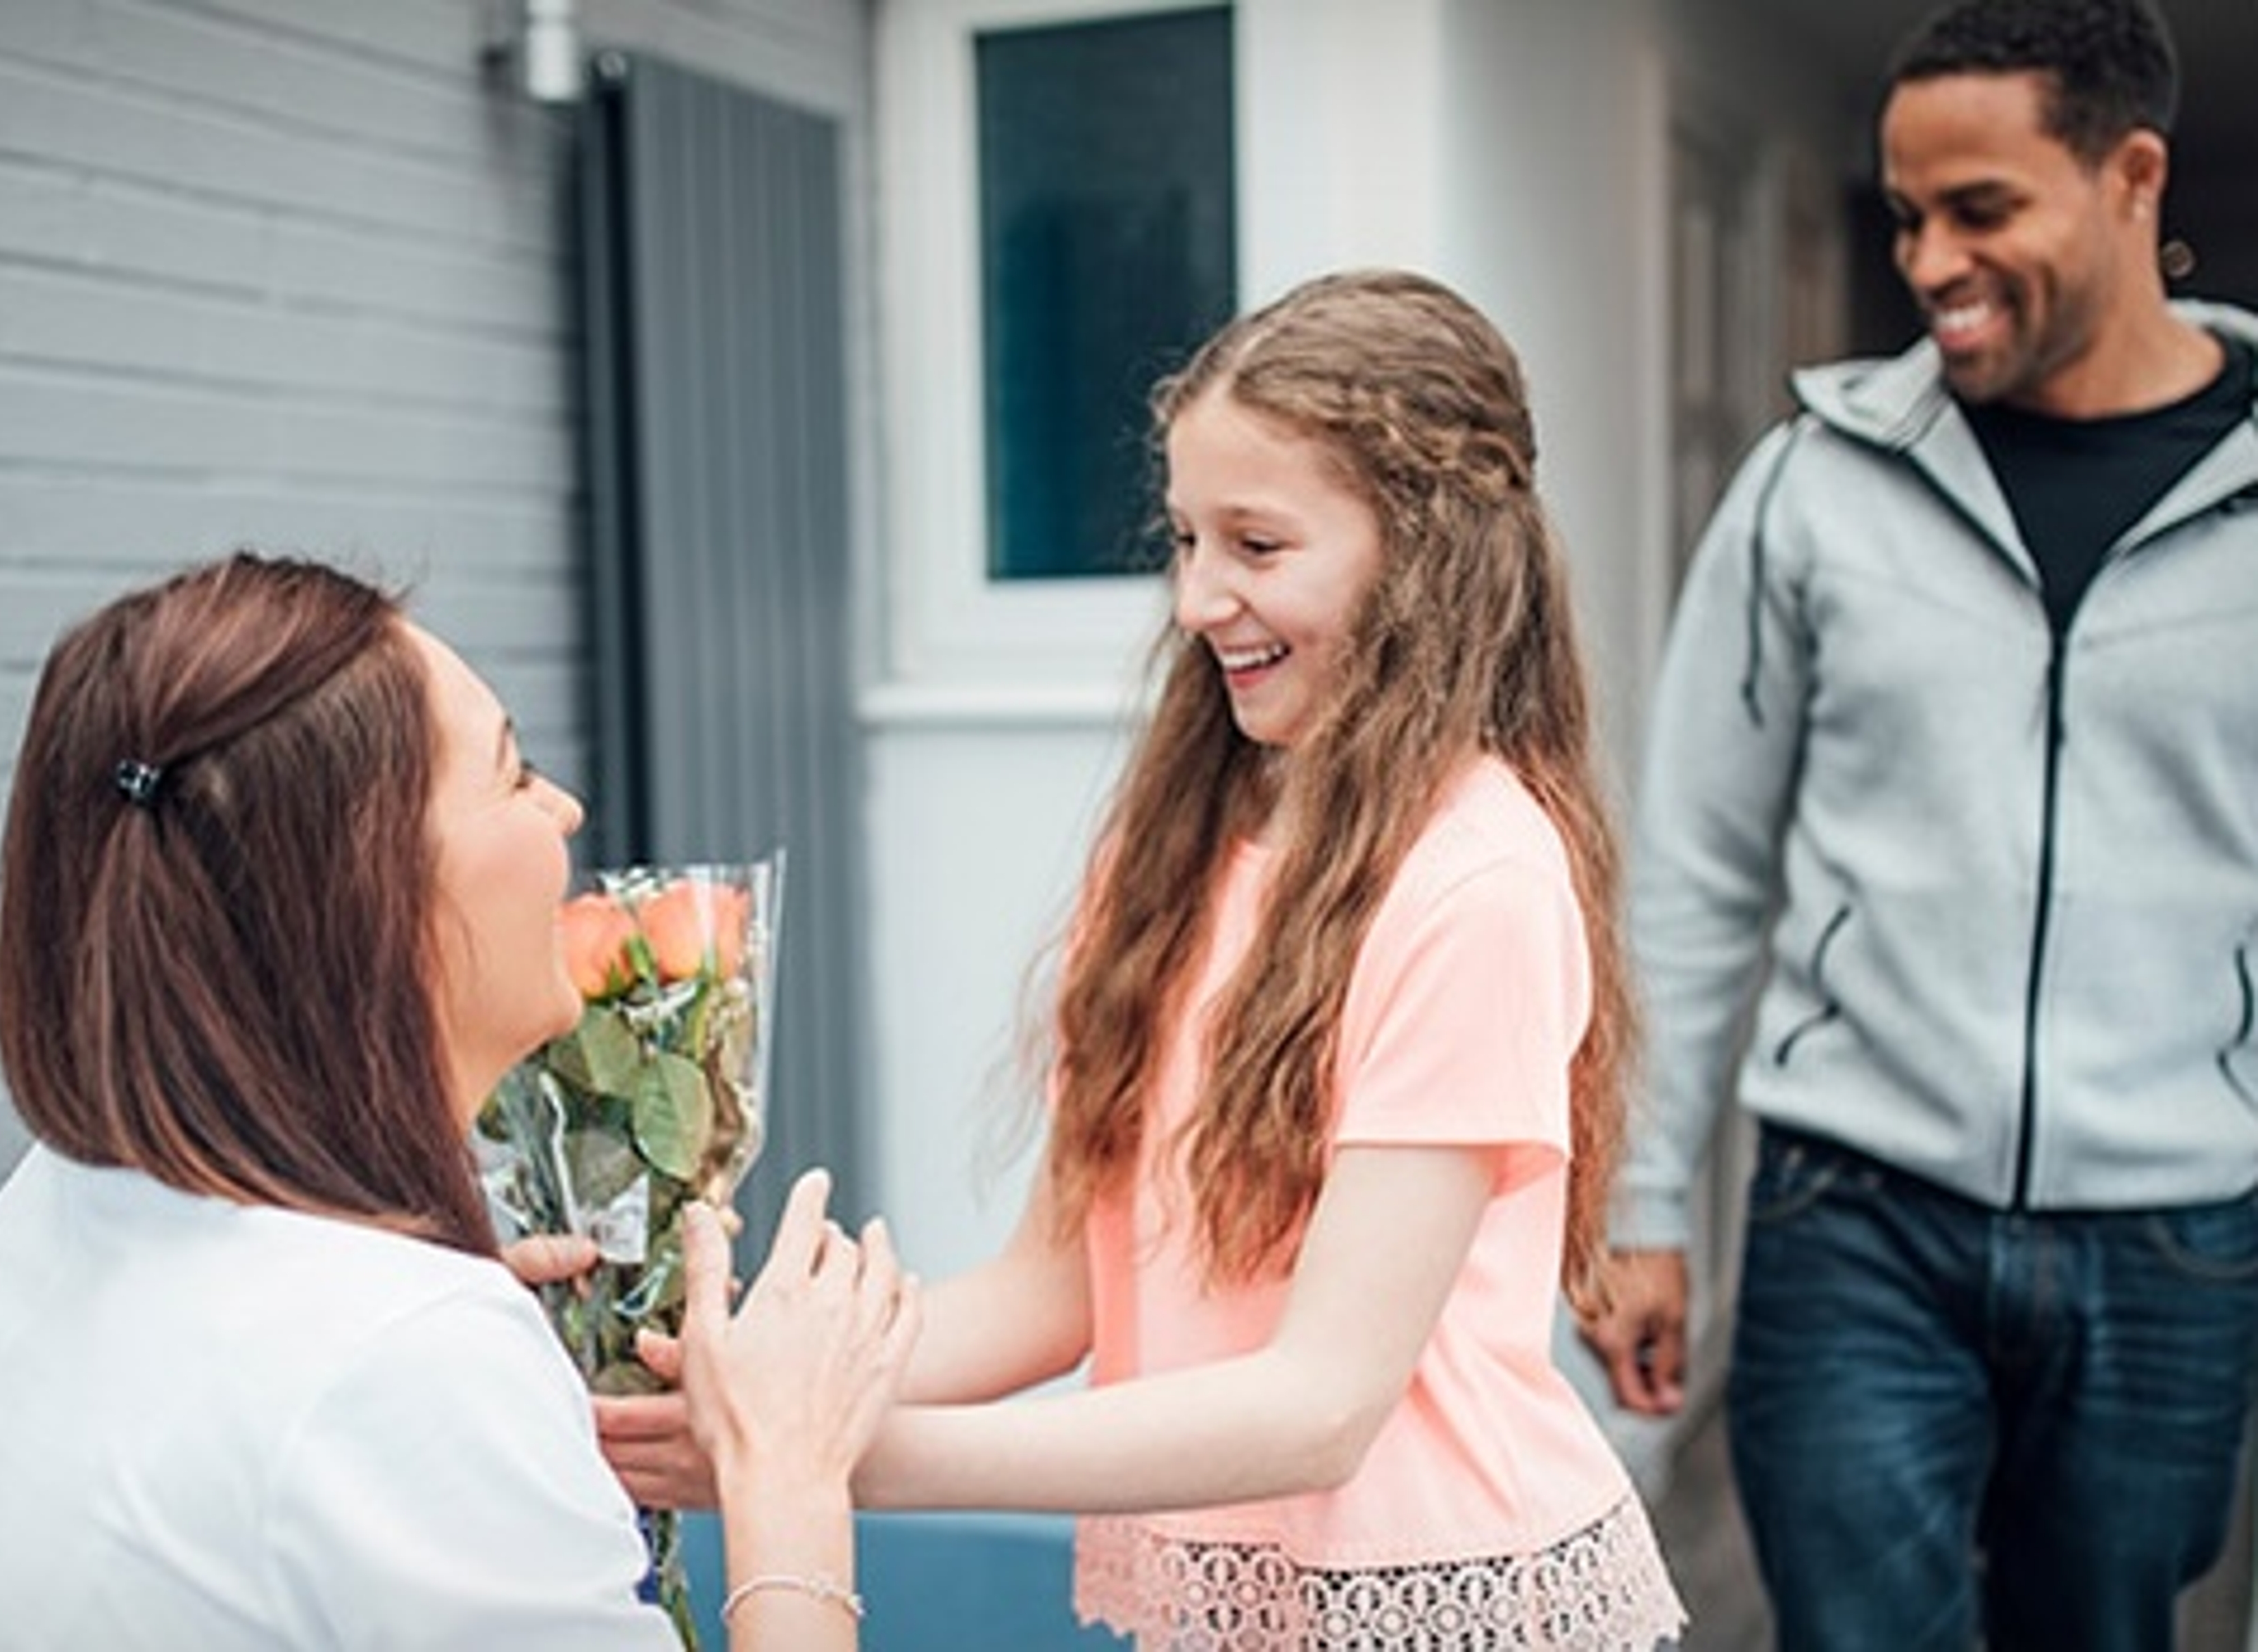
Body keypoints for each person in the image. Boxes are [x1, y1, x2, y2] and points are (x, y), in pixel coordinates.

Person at [605, 269, 1687, 1651]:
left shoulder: (1475, 876)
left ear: (1428, 553)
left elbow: (1322, 1403)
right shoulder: (1171, 850)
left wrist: (824, 1466)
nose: (1197, 598)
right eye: (1185, 538)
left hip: (1451, 1607)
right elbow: (1052, 1288)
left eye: (1257, 543)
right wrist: (748, 1380)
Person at [0, 552, 920, 1651]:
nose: (565, 808)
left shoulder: (41, 1218)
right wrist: (788, 1473)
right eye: (512, 774)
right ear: (378, 895)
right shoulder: (404, 1356)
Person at [1573, 0, 2258, 1646]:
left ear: (2132, 176)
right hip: (1854, 1214)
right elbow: (1696, 866)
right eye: (1906, 217)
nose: (1929, 261)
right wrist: (1643, 1198)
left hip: (2171, 1231)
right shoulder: (1814, 484)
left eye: (1981, 209)